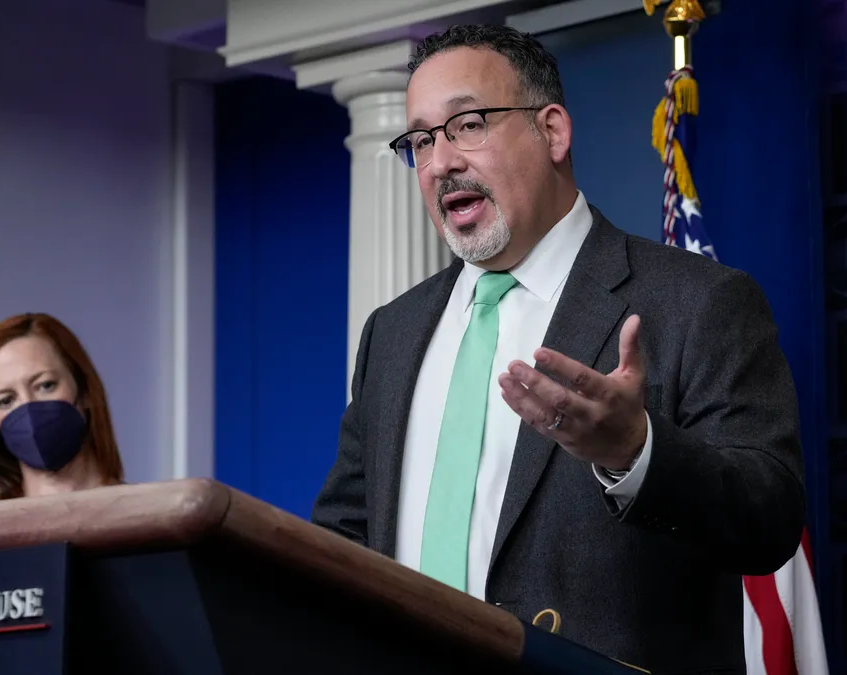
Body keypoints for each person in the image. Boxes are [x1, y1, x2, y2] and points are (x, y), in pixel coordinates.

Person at [310, 24, 806, 673]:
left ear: (552, 131)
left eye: (467, 125)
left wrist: (639, 452)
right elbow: (341, 539)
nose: (440, 162)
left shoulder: (699, 302)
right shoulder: (393, 331)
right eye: (422, 140)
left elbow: (769, 520)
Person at [0, 312, 123, 503]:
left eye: (46, 386)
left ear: (84, 390)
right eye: (6, 401)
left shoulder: (148, 519)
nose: (28, 408)